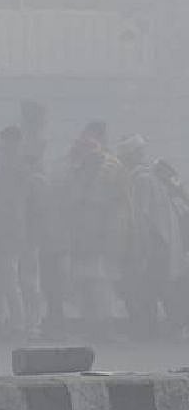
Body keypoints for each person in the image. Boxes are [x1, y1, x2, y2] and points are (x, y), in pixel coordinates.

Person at [116, 135, 183, 338]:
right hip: (164, 240)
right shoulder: (152, 176)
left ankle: (154, 328)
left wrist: (139, 248)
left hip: (154, 243)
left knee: (151, 287)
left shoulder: (141, 179)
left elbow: (140, 217)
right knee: (161, 285)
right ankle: (169, 326)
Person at [67, 133, 130, 338]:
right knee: (87, 284)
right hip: (85, 239)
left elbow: (116, 210)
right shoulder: (81, 173)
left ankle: (105, 325)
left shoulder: (110, 172)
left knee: (101, 285)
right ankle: (93, 324)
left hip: (102, 240)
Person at [0, 126, 29, 337]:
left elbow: (11, 205)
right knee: (0, 278)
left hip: (9, 231)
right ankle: (1, 320)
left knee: (9, 278)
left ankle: (17, 324)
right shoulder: (12, 164)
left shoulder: (14, 167)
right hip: (2, 229)